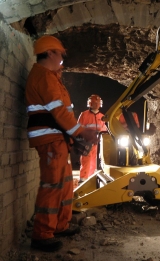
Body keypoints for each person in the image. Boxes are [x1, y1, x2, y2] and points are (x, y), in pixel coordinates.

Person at [25, 35, 98, 252]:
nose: (62, 58)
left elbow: (60, 112)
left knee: (65, 184)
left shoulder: (50, 77)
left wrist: (73, 136)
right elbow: (58, 112)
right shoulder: (44, 77)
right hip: (49, 139)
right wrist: (82, 131)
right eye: (60, 53)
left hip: (57, 138)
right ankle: (42, 234)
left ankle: (59, 225)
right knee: (53, 185)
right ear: (49, 52)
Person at [78, 94, 107, 183]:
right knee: (86, 162)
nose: (96, 105)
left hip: (98, 144)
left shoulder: (103, 117)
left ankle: (90, 180)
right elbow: (79, 129)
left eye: (97, 103)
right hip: (87, 143)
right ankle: (83, 180)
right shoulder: (84, 115)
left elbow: (104, 131)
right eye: (94, 103)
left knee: (95, 163)